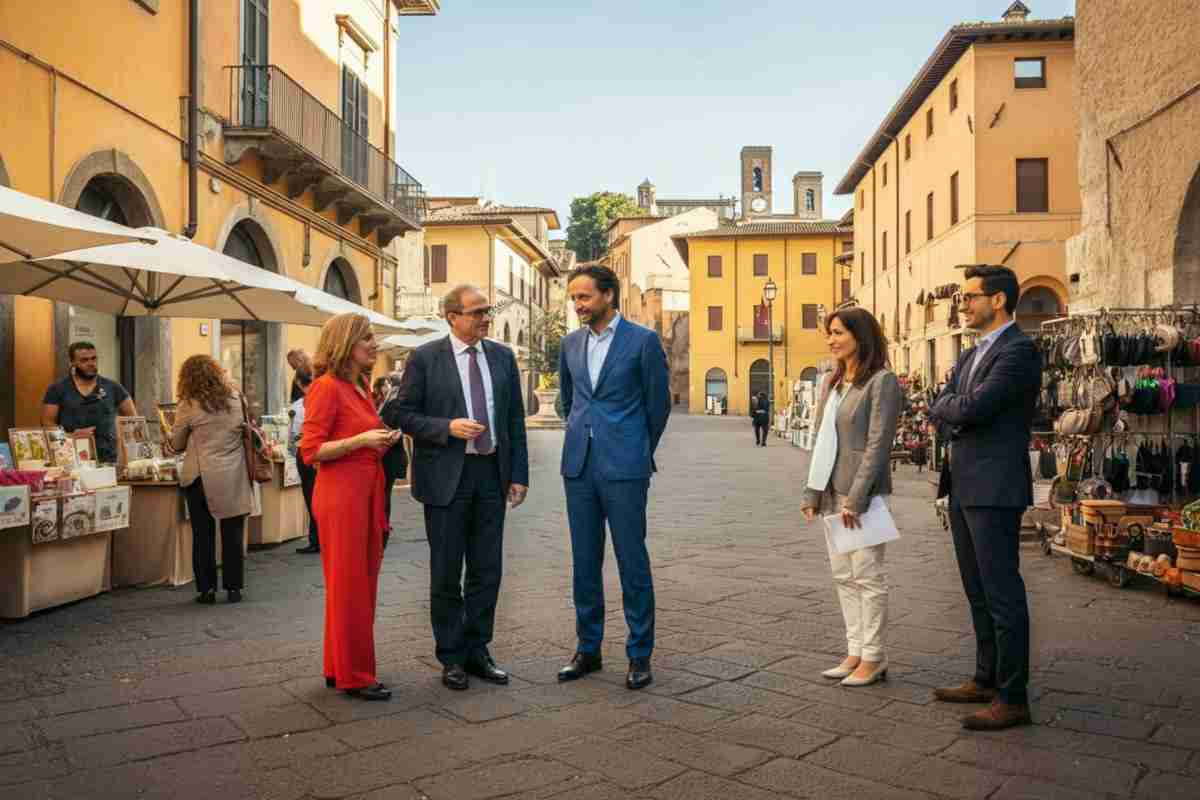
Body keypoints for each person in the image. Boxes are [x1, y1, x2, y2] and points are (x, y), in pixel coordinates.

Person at [394, 285, 528, 691]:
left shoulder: (503, 358)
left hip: (490, 473)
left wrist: (518, 474)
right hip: (446, 477)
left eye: (487, 311)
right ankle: (450, 656)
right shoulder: (425, 358)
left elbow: (514, 423)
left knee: (488, 570)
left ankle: (478, 650)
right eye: (477, 312)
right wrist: (446, 428)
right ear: (452, 316)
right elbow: (401, 413)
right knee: (446, 571)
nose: (485, 318)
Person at [929, 264, 1041, 731]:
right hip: (964, 484)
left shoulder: (1018, 351)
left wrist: (951, 408)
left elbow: (970, 407)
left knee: (1002, 593)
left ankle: (1013, 697)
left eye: (971, 296)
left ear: (998, 300)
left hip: (994, 487)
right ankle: (985, 677)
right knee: (976, 591)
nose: (964, 304)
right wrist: (953, 408)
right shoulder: (973, 353)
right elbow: (946, 400)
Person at [557, 264, 670, 691]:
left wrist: (636, 448)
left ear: (608, 295)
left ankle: (639, 654)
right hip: (579, 467)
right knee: (584, 563)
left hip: (625, 467)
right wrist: (581, 434)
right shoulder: (569, 344)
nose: (577, 305)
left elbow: (656, 408)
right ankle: (588, 649)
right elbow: (570, 402)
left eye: (584, 297)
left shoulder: (642, 342)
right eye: (573, 298)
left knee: (632, 562)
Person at [300, 313, 400, 702]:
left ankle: (337, 666)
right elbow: (311, 451)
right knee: (351, 587)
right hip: (343, 495)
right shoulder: (326, 388)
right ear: (346, 344)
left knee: (355, 585)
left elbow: (353, 437)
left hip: (365, 491)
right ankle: (356, 675)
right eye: (368, 339)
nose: (375, 345)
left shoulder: (357, 386)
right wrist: (361, 441)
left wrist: (378, 439)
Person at [801, 308, 901, 688]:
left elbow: (878, 445)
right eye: (829, 333)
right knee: (844, 576)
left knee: (868, 576)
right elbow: (822, 440)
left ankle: (874, 656)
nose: (831, 339)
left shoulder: (882, 382)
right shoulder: (834, 382)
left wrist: (856, 498)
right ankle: (856, 650)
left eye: (838, 332)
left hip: (863, 495)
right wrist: (813, 492)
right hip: (832, 492)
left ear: (860, 335)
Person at [167, 355, 253, 605]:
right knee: (233, 532)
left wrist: (171, 437)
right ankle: (234, 588)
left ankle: (206, 590)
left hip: (200, 477)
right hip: (233, 474)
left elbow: (177, 444)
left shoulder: (188, 404)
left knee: (202, 535)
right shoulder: (238, 399)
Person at [42, 341, 137, 464]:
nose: (91, 363)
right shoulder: (58, 389)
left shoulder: (113, 387)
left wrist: (124, 448)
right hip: (71, 459)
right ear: (72, 363)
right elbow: (47, 423)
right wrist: (69, 436)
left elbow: (134, 420)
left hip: (109, 460)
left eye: (93, 359)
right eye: (84, 360)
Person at [290, 369, 320, 555]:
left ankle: (316, 539)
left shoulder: (299, 405)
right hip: (326, 453)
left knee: (311, 498)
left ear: (300, 384)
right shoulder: (324, 398)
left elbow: (294, 435)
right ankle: (322, 537)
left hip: (307, 453)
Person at [376, 373, 409, 524]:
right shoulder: (391, 399)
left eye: (387, 383)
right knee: (384, 493)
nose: (386, 387)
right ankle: (384, 522)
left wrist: (380, 423)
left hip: (390, 455)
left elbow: (392, 425)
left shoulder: (394, 400)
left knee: (385, 492)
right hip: (390, 454)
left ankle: (384, 523)